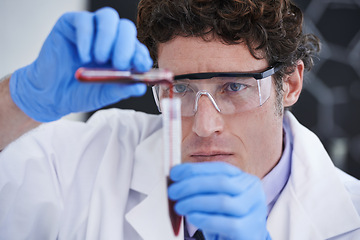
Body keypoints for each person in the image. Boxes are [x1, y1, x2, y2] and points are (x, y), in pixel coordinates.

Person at [0, 0, 359, 239]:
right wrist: (20, 100)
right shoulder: (96, 157)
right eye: (181, 89)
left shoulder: (351, 218)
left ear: (291, 83)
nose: (204, 125)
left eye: (234, 87)